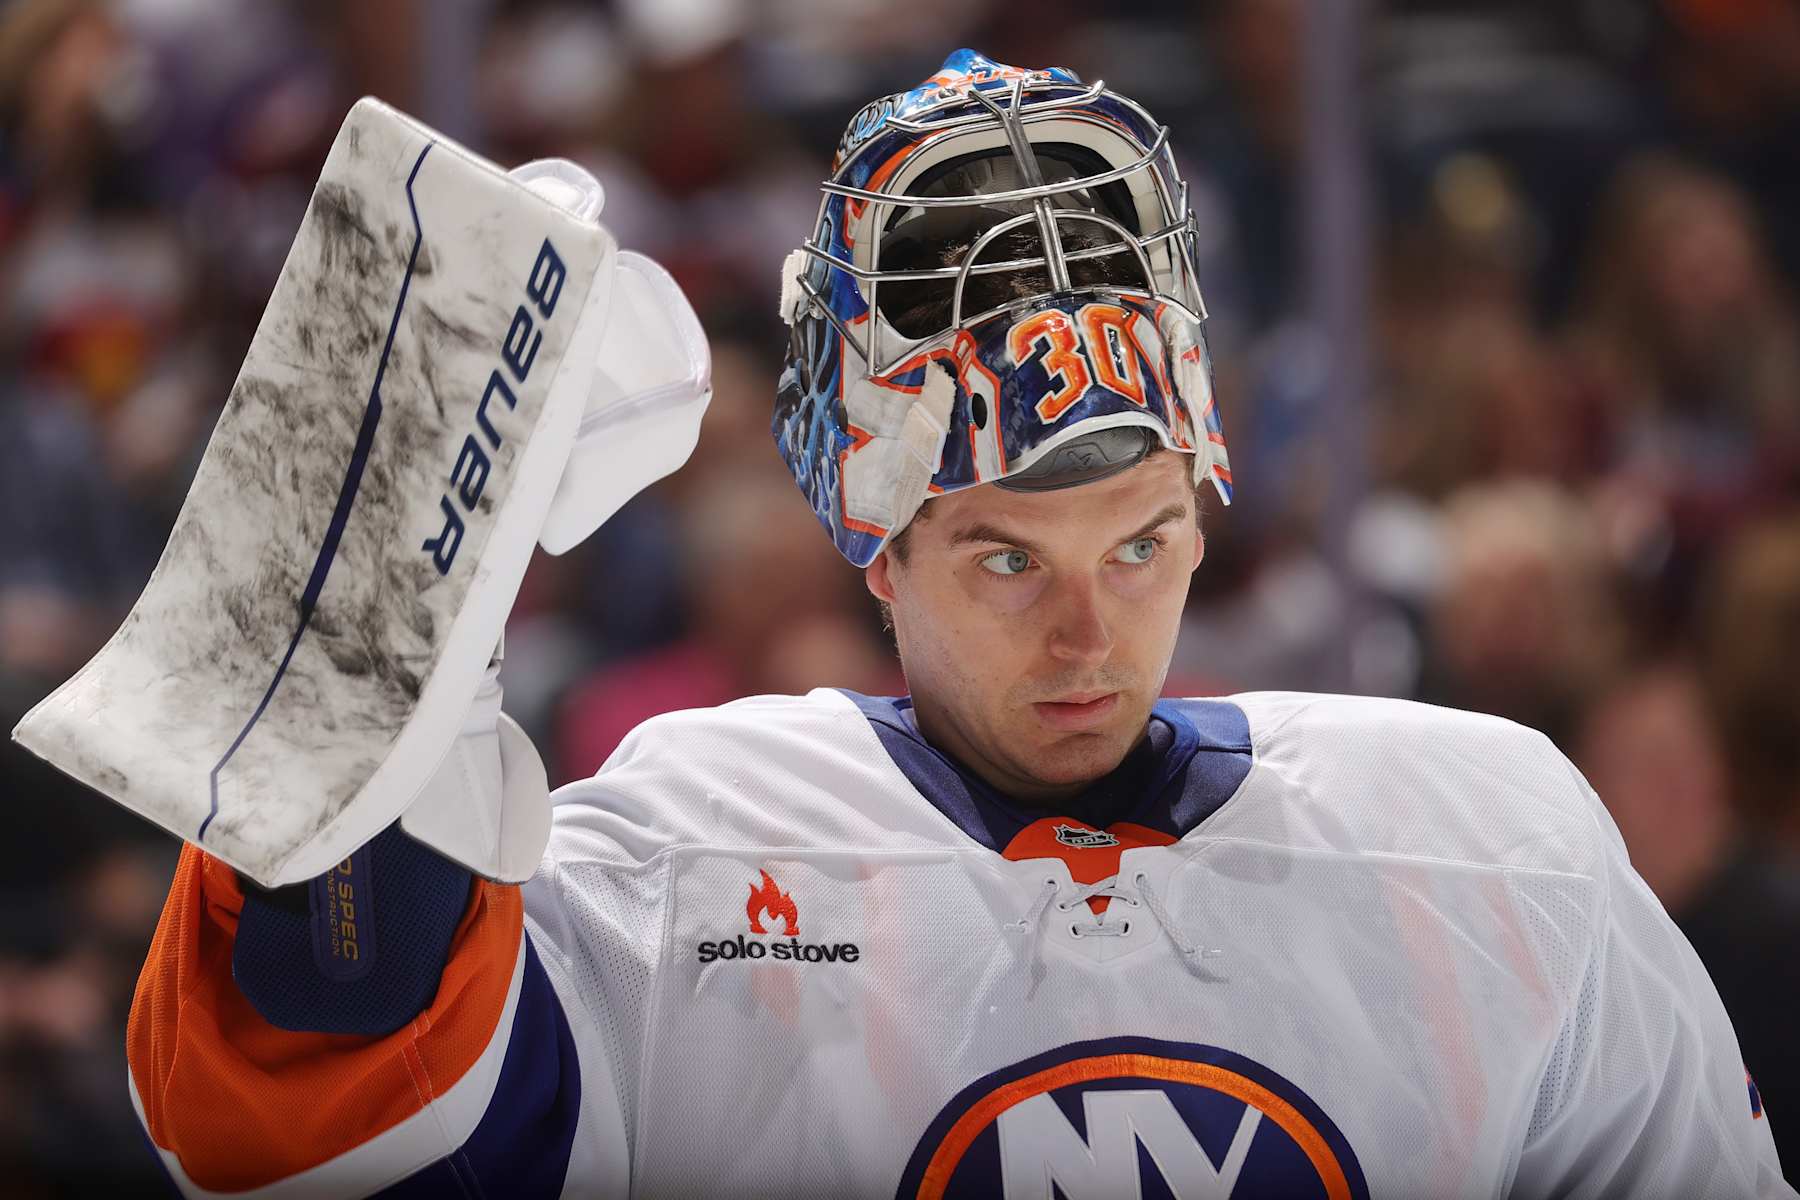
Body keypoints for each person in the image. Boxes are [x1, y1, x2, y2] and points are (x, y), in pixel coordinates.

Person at [123, 50, 1790, 1198]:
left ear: (1209, 501)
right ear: (874, 546)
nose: (1090, 636)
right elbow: (315, 1118)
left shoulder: (1500, 847)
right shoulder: (683, 852)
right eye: (1006, 561)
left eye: (1141, 545)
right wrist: (371, 638)